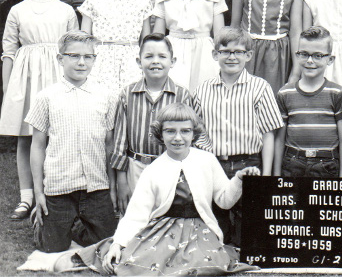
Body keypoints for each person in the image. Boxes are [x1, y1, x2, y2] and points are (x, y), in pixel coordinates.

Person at [55, 102, 258, 276]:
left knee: (204, 263)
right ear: (160, 134)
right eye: (170, 131)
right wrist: (118, 244)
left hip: (200, 230)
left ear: (194, 133)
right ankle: (93, 253)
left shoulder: (207, 160)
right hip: (164, 230)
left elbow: (224, 200)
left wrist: (239, 179)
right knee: (144, 260)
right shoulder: (154, 169)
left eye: (185, 131)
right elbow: (136, 214)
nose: (178, 138)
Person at [0, 0, 77, 220]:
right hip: (26, 77)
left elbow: (73, 49)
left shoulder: (66, 10)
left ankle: (55, 193)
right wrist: (7, 88)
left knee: (57, 136)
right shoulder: (18, 10)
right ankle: (26, 197)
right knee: (26, 137)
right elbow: (9, 52)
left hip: (56, 75)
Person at [27, 30, 118, 252]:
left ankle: (76, 224)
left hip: (96, 186)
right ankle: (47, 223)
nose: (81, 62)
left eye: (88, 57)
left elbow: (109, 146)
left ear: (94, 59)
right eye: (74, 56)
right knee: (52, 247)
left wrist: (112, 188)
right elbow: (37, 146)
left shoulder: (106, 96)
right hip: (60, 186)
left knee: (105, 245)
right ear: (60, 59)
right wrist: (38, 193)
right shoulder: (46, 97)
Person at [192, 27, 283, 245]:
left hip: (249, 163)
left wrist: (266, 175)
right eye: (225, 51)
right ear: (215, 55)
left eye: (238, 52)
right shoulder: (202, 90)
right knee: (217, 224)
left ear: (248, 55)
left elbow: (268, 133)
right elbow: (196, 130)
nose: (231, 57)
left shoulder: (260, 88)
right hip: (215, 165)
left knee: (248, 226)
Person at [111, 33, 211, 212]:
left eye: (162, 56)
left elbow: (193, 136)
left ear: (172, 61)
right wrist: (122, 180)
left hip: (171, 166)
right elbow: (120, 141)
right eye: (149, 56)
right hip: (136, 167)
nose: (155, 61)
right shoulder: (127, 94)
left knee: (167, 216)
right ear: (139, 61)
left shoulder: (182, 95)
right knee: (138, 217)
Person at [274, 26, 342, 178]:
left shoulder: (337, 93)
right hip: (293, 162)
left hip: (327, 165)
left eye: (318, 56)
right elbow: (280, 139)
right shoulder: (285, 93)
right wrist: (276, 175)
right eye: (304, 54)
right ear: (297, 55)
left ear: (330, 59)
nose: (310, 61)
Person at [80, 0, 152, 92]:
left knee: (130, 100)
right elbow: (84, 43)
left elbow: (146, 42)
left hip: (131, 65)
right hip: (100, 65)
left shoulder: (142, 3)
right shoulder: (93, 2)